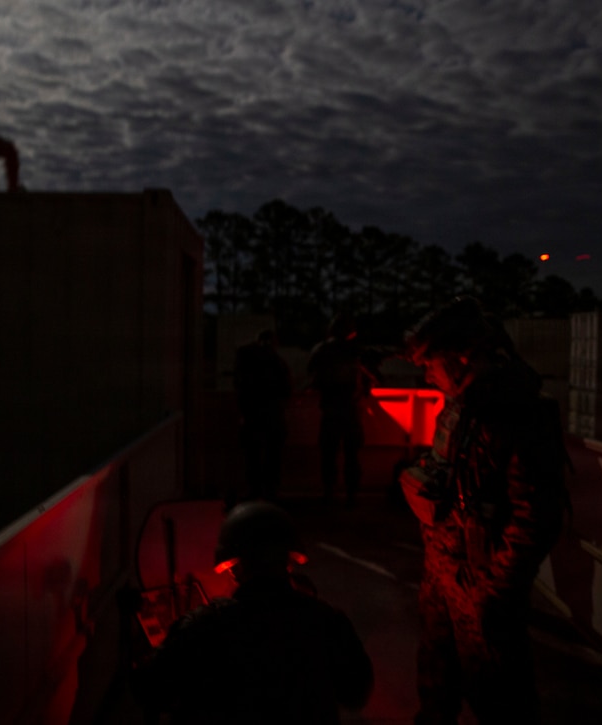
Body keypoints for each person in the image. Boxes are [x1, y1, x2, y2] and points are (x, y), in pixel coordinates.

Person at [399, 297, 568, 725]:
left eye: (431, 362)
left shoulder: (520, 413)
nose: (427, 373)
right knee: (438, 685)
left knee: (500, 700)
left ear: (462, 356)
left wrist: (495, 589)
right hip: (445, 569)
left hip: (481, 581)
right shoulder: (462, 405)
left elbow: (536, 516)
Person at [133, 501, 374, 724]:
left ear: (233, 569)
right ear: (289, 563)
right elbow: (357, 693)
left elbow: (149, 689)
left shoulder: (204, 627)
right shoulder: (326, 621)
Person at [306, 314, 376, 507]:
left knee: (329, 455)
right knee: (352, 455)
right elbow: (372, 376)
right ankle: (351, 495)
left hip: (330, 410)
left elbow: (311, 374)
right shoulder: (356, 351)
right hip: (351, 410)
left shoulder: (321, 350)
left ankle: (329, 493)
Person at [233, 329, 293, 502]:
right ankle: (270, 491)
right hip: (272, 416)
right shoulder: (277, 363)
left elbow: (240, 387)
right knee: (271, 456)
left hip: (254, 415)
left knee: (254, 456)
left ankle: (255, 490)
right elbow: (287, 389)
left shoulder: (247, 362)